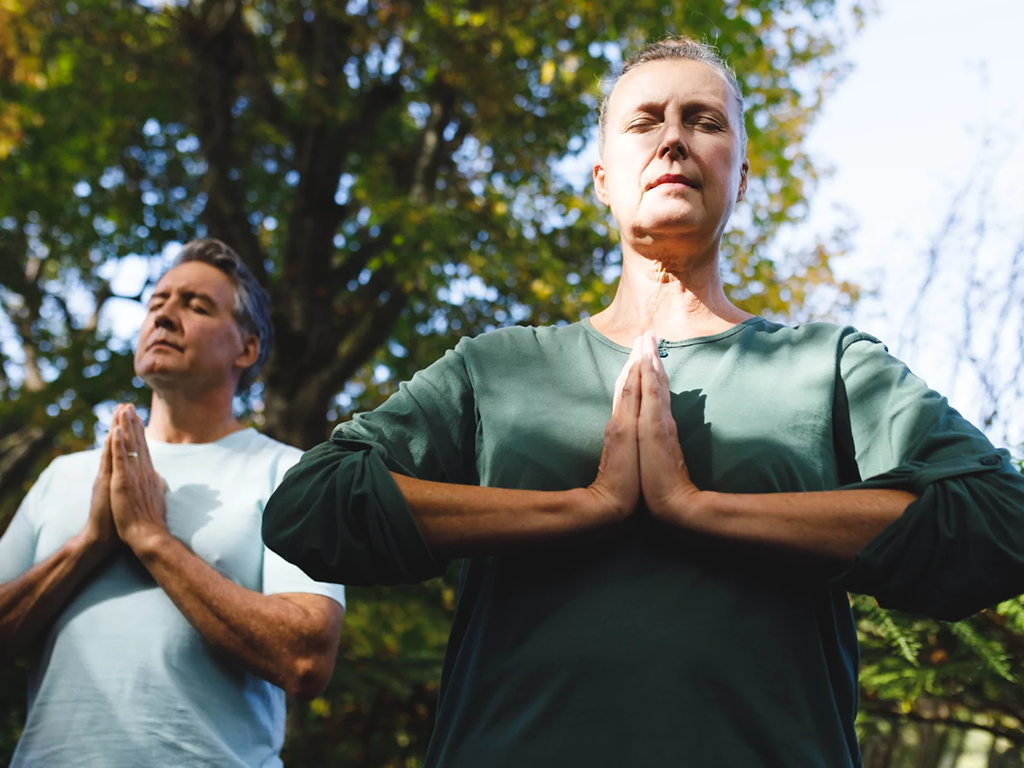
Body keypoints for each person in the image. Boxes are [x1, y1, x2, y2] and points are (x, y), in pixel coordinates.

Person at [261, 38, 1024, 768]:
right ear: (602, 177)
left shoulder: (824, 365)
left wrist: (697, 508)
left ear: (744, 176)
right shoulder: (497, 370)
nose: (673, 139)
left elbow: (1001, 518)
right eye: (645, 120)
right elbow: (312, 505)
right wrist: (584, 508)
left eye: (704, 121)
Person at [0, 239, 347, 768]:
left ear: (246, 349)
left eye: (196, 305)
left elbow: (306, 656)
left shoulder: (290, 473)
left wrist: (152, 540)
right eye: (157, 301)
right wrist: (88, 546)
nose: (165, 312)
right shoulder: (62, 476)